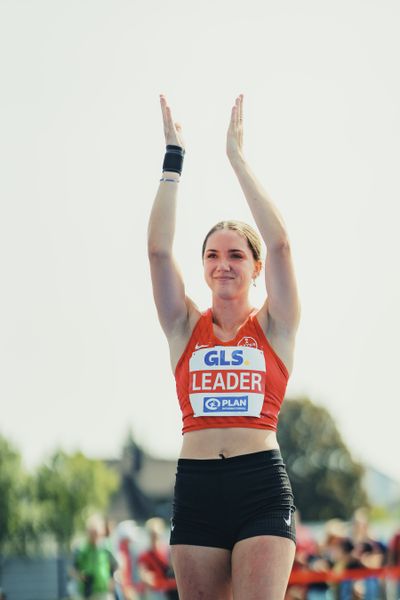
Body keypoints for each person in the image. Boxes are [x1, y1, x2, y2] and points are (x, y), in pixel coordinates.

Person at [148, 93, 301, 599]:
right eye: (212, 255)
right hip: (196, 487)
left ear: (255, 269)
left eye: (236, 255)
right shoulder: (182, 325)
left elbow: (279, 244)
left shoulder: (275, 326)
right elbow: (157, 250)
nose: (223, 264)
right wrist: (175, 159)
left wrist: (237, 159)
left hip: (259, 485)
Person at [72, 514, 118, 600]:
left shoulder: (106, 547)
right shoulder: (81, 548)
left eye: (96, 533)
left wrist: (113, 579)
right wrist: (80, 575)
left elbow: (115, 566)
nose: (94, 536)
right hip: (86, 592)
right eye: (92, 533)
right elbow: (73, 569)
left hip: (104, 591)